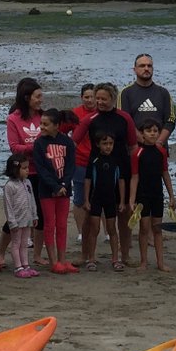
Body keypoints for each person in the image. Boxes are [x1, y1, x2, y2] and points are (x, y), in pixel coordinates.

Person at [73, 84, 138, 264]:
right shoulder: (90, 119)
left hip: (120, 170)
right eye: (98, 98)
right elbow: (73, 141)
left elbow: (133, 146)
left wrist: (134, 172)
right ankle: (85, 255)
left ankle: (125, 255)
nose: (100, 102)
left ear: (113, 99)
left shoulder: (124, 118)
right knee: (89, 214)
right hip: (97, 171)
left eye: (104, 99)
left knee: (123, 213)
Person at [4, 78, 46, 265]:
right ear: (27, 97)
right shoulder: (13, 118)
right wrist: (35, 147)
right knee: (17, 214)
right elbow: (14, 147)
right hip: (21, 173)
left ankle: (36, 255)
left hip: (42, 171)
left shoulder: (42, 116)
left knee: (40, 214)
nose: (41, 100)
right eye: (38, 96)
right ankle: (0, 252)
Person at [33, 109, 77, 274]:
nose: (42, 127)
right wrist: (55, 187)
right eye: (41, 124)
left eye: (46, 124)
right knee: (50, 225)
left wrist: (64, 184)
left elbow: (71, 166)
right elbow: (41, 169)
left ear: (57, 125)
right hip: (47, 191)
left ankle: (63, 259)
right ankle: (53, 261)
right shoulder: (39, 143)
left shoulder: (67, 142)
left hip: (64, 190)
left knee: (62, 225)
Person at [130, 120, 176, 272]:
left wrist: (171, 195)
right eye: (149, 131)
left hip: (157, 195)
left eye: (155, 131)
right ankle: (143, 262)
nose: (152, 134)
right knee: (144, 228)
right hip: (143, 195)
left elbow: (165, 173)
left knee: (157, 228)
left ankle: (160, 263)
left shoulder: (161, 151)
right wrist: (132, 199)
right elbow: (134, 177)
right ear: (142, 134)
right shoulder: (137, 153)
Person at [82, 132, 127, 271]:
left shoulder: (116, 160)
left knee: (112, 229)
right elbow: (88, 180)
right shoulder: (94, 160)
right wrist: (86, 200)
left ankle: (115, 259)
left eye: (110, 144)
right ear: (98, 144)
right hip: (96, 199)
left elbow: (121, 181)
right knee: (94, 229)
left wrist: (122, 201)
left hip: (111, 199)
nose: (108, 146)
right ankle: (91, 259)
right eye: (105, 143)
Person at [65, 84, 97, 244]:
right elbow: (62, 131)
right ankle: (80, 232)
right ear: (81, 97)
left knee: (102, 196)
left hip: (99, 162)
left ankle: (106, 233)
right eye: (86, 97)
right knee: (79, 198)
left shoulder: (102, 112)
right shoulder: (75, 113)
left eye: (93, 97)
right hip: (79, 161)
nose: (90, 100)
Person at [119, 54, 176, 142]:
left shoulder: (163, 92)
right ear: (134, 70)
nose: (146, 68)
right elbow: (124, 120)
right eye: (142, 66)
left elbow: (171, 120)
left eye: (149, 66)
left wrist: (159, 142)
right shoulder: (125, 93)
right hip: (135, 146)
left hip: (159, 146)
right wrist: (143, 141)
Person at [3, 154, 39, 279]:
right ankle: (18, 267)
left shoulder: (28, 183)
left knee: (24, 243)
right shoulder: (10, 186)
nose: (27, 170)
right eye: (24, 168)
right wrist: (12, 222)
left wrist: (34, 215)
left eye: (27, 167)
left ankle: (25, 265)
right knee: (16, 243)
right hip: (17, 220)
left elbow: (32, 200)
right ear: (15, 169)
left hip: (27, 218)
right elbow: (8, 206)